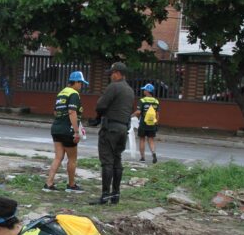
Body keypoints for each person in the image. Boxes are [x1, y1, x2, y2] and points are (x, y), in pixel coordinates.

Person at [90, 61, 134, 205]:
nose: (110, 76)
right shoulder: (129, 90)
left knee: (107, 162)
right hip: (123, 129)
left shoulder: (114, 87)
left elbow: (101, 105)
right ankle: (116, 194)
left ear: (117, 74)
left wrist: (97, 118)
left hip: (111, 128)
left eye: (112, 73)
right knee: (117, 160)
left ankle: (105, 195)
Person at [43, 71, 88, 193]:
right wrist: (76, 131)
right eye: (81, 83)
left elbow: (55, 112)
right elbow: (72, 112)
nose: (81, 86)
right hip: (68, 130)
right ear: (76, 82)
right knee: (72, 158)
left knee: (58, 157)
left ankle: (49, 183)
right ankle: (71, 185)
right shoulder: (74, 94)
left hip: (56, 128)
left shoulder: (61, 93)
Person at [132, 83, 160, 163]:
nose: (143, 91)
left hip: (143, 123)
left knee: (142, 139)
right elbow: (157, 114)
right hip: (152, 123)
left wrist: (130, 116)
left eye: (144, 89)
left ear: (147, 91)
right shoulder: (156, 101)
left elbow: (138, 112)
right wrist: (156, 123)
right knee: (151, 140)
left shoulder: (142, 100)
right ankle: (153, 153)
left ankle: (142, 158)